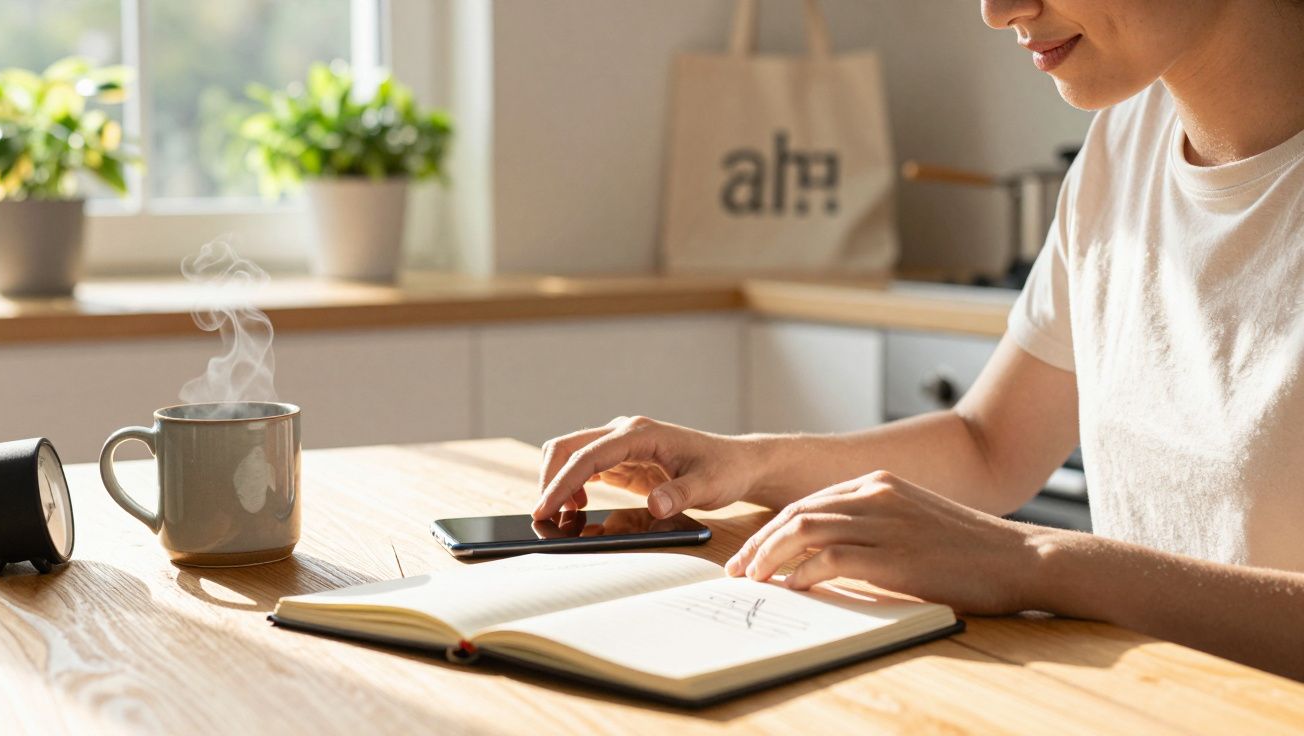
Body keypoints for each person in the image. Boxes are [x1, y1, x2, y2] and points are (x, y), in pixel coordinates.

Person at [533, 0, 1304, 680]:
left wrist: (1037, 563)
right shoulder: (1126, 144)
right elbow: (986, 446)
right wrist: (745, 462)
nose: (997, 10)